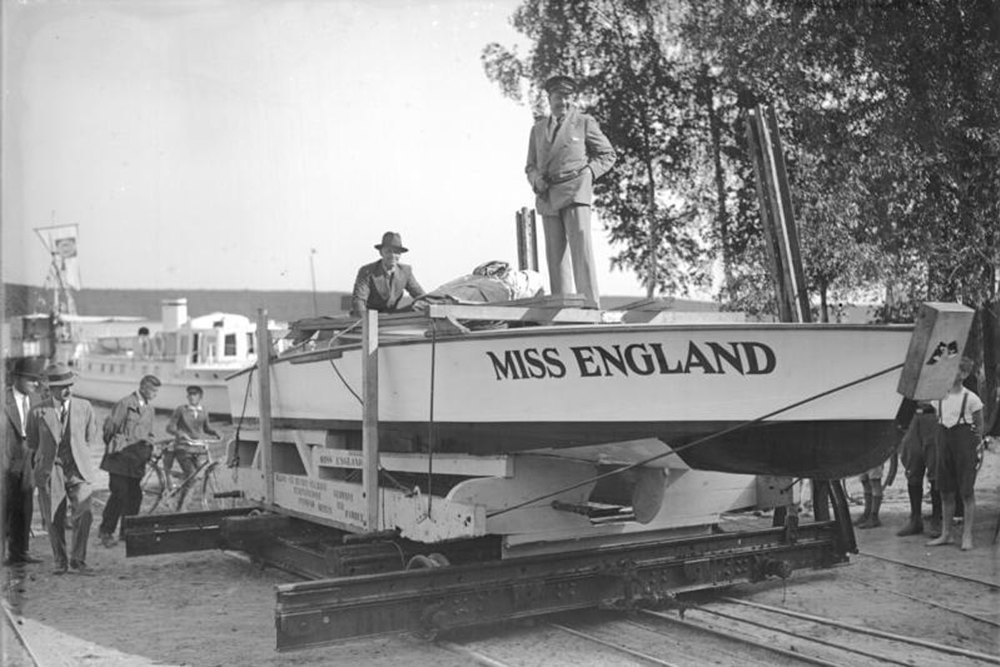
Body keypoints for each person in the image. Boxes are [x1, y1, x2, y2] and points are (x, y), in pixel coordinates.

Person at [525, 74, 617, 308]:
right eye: (558, 97)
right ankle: (563, 308)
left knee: (581, 251)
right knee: (555, 257)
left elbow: (608, 154)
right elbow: (530, 166)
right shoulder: (537, 129)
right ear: (549, 98)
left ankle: (590, 307)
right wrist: (536, 180)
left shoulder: (584, 122)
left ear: (572, 98)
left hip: (575, 190)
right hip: (548, 196)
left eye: (566, 97)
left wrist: (590, 173)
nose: (562, 102)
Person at [26, 363, 100, 574]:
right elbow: (32, 443)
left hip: (78, 469)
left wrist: (77, 453)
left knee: (84, 513)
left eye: (70, 385)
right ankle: (61, 561)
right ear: (51, 388)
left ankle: (78, 560)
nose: (67, 389)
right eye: (62, 386)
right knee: (54, 518)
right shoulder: (37, 411)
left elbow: (89, 436)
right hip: (51, 470)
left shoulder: (84, 407)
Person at [927, 357, 984, 551]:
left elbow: (979, 427)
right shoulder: (939, 397)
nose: (953, 374)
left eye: (959, 371)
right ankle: (946, 534)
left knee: (966, 491)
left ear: (965, 374)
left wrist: (976, 449)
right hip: (944, 444)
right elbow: (939, 419)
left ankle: (967, 535)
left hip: (964, 446)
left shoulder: (972, 399)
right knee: (945, 490)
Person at [98, 374, 161, 547]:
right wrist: (117, 446)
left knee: (135, 497)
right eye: (153, 390)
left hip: (136, 461)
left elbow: (149, 434)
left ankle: (127, 533)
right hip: (119, 459)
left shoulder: (150, 409)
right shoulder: (125, 403)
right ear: (143, 387)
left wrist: (151, 447)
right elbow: (110, 429)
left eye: (157, 391)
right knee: (119, 494)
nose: (155, 394)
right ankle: (106, 531)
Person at [3, 357, 46, 565]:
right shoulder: (3, 399)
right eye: (31, 380)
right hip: (4, 461)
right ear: (17, 378)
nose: (35, 384)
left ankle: (20, 552)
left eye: (37, 380)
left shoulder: (37, 400)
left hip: (29, 462)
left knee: (25, 506)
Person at [351, 231, 426, 317]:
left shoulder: (406, 271)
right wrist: (366, 324)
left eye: (396, 252)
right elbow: (359, 301)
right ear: (381, 253)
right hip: (368, 318)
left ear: (400, 254)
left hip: (390, 318)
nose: (392, 255)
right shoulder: (367, 271)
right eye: (388, 251)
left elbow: (421, 296)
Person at [163, 385, 219, 488]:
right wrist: (181, 434)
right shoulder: (181, 410)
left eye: (194, 394)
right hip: (183, 448)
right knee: (192, 476)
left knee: (198, 476)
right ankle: (182, 502)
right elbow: (170, 427)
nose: (191, 397)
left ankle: (179, 480)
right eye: (189, 394)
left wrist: (215, 433)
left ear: (200, 397)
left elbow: (206, 428)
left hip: (197, 448)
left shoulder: (204, 411)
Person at [853, 463, 884, 529]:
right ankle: (867, 514)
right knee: (864, 481)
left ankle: (874, 516)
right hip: (862, 456)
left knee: (875, 481)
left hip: (874, 456)